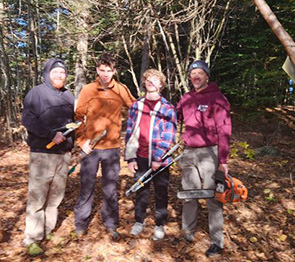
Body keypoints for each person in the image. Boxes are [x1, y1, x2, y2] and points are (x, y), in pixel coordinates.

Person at [74, 52, 135, 241]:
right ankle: (81, 224)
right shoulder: (88, 90)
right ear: (97, 70)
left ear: (114, 71)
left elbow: (135, 107)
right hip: (91, 148)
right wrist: (82, 141)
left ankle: (110, 223)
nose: (106, 74)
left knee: (110, 187)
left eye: (109, 70)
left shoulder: (121, 89)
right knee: (87, 185)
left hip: (112, 148)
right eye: (102, 70)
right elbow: (77, 117)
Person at [176, 60, 232, 257]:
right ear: (190, 77)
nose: (196, 76)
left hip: (211, 152)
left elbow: (224, 130)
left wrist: (223, 161)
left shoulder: (218, 99)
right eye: (193, 73)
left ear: (207, 76)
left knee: (213, 197)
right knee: (189, 193)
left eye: (200, 72)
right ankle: (187, 231)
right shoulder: (186, 98)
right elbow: (174, 117)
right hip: (189, 151)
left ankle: (217, 241)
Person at [21, 58, 75, 252]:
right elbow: (28, 119)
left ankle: (47, 229)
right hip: (42, 153)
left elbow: (72, 122)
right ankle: (32, 239)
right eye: (55, 72)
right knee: (37, 196)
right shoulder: (36, 93)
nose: (60, 76)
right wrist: (51, 134)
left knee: (56, 196)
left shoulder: (69, 96)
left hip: (63, 154)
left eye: (63, 73)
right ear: (47, 74)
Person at [125, 69, 177, 241]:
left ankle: (160, 224)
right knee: (141, 190)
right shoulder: (136, 105)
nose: (151, 82)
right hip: (140, 156)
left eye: (155, 80)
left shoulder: (167, 107)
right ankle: (139, 221)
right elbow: (130, 133)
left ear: (161, 85)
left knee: (161, 192)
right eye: (148, 79)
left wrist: (158, 158)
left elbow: (169, 135)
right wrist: (130, 158)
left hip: (160, 160)